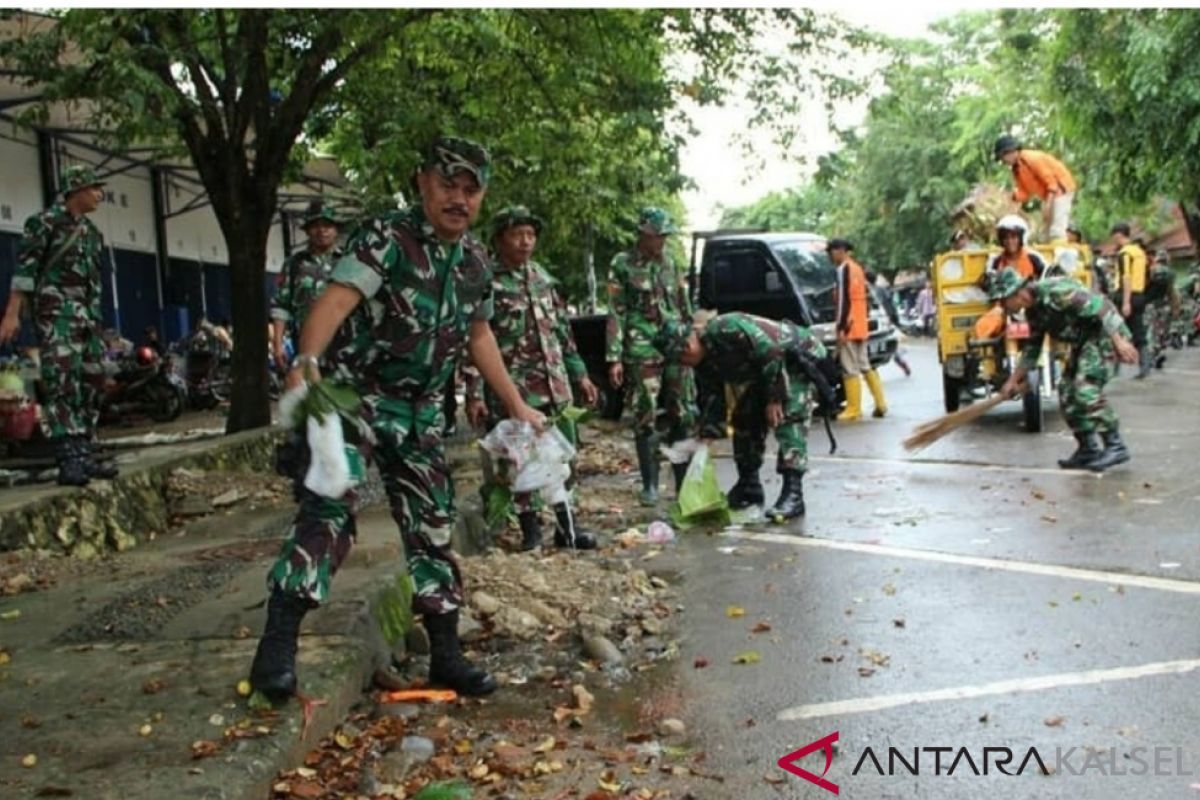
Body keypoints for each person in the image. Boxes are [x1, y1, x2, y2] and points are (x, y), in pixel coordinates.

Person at [250, 137, 545, 701]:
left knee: (433, 525)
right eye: (447, 186)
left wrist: (516, 405)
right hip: (356, 398)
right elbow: (337, 299)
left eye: (470, 189)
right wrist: (305, 362)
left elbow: (479, 335)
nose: (458, 199)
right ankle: (277, 645)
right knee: (329, 509)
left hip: (421, 413)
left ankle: (446, 656)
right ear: (422, 184)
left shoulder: (477, 263)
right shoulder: (388, 239)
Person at [464, 205, 600, 551]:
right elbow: (475, 341)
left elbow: (562, 333)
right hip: (514, 390)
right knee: (520, 462)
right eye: (517, 235)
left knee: (563, 458)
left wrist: (580, 374)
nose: (525, 242)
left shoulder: (541, 277)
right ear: (499, 239)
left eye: (530, 235)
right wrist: (475, 393)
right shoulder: (486, 281)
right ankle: (531, 533)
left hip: (554, 386)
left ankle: (567, 529)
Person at [0, 165, 117, 486]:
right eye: (94, 188)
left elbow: (94, 280)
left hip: (87, 318)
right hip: (56, 315)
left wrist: (97, 321)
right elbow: (25, 270)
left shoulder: (92, 233)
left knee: (93, 379)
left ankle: (86, 448)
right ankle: (69, 456)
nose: (99, 194)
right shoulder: (44, 224)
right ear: (76, 190)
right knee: (62, 381)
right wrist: (12, 313)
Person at [655, 312, 828, 521]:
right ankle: (749, 487)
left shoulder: (726, 328)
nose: (684, 362)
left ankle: (794, 494)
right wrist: (708, 433)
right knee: (744, 419)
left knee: (787, 418)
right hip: (764, 372)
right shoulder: (704, 362)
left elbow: (771, 352)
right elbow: (713, 398)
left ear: (688, 346)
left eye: (682, 356)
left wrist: (775, 398)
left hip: (794, 360)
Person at [993, 266, 1137, 472]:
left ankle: (1115, 444)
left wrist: (1120, 342)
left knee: (1084, 386)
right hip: (1084, 342)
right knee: (1067, 391)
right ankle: (1088, 448)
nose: (1002, 306)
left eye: (1003, 300)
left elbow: (1102, 306)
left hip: (1105, 334)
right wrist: (1012, 381)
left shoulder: (1056, 292)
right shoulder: (1034, 311)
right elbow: (1032, 349)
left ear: (1016, 293)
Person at [605, 207, 695, 505]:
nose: (662, 242)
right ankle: (650, 485)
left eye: (665, 236)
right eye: (657, 236)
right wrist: (614, 356)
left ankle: (683, 484)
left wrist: (692, 340)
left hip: (674, 346)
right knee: (644, 413)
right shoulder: (623, 264)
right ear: (643, 234)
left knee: (681, 412)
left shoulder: (671, 263)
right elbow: (616, 310)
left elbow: (683, 307)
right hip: (640, 347)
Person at [271, 200, 343, 372]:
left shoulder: (347, 262)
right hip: (305, 347)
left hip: (343, 348)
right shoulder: (294, 264)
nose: (322, 230)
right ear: (307, 231)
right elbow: (282, 305)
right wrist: (277, 344)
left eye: (327, 225)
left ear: (335, 230)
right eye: (315, 225)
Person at [828, 238, 886, 420]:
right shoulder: (857, 268)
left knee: (849, 367)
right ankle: (880, 403)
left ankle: (853, 408)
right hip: (860, 323)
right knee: (864, 364)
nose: (829, 256)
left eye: (830, 252)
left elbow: (844, 300)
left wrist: (841, 327)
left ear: (839, 251)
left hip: (849, 325)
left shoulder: (843, 269)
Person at [993, 135, 1077, 242]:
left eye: (1002, 157)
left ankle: (1059, 253)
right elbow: (1025, 192)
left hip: (1061, 188)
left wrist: (1048, 205)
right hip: (1048, 194)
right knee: (1045, 231)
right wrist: (1010, 198)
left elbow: (1051, 182)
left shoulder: (1031, 159)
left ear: (1009, 151)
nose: (1003, 161)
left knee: (1056, 227)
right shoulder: (1017, 169)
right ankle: (1048, 251)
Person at [1110, 222, 1151, 379]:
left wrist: (1126, 302)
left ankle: (1114, 370)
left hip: (1127, 296)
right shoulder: (1139, 252)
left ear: (1119, 235)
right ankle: (1145, 367)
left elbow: (1126, 277)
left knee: (1114, 329)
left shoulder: (1125, 254)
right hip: (1140, 295)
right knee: (1139, 331)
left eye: (1114, 237)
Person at [1145, 249, 1180, 369]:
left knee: (1151, 330)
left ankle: (1151, 356)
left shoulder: (1150, 269)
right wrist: (1175, 307)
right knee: (1161, 331)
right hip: (1164, 305)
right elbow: (1172, 292)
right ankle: (1158, 352)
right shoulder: (1171, 273)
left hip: (1149, 305)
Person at [986, 215, 1046, 279]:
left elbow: (1048, 280)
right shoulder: (995, 261)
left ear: (1021, 238)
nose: (1009, 241)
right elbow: (989, 283)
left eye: (1013, 237)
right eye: (1005, 238)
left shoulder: (1034, 258)